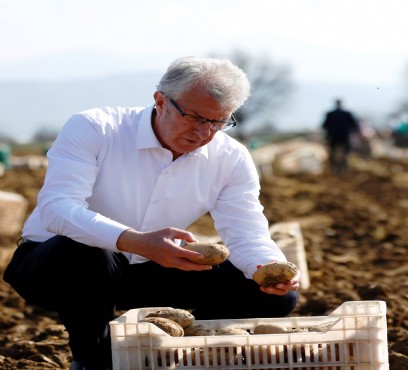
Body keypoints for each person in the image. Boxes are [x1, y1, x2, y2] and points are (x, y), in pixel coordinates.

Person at [3, 56, 300, 370]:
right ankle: (94, 359)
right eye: (196, 117)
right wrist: (136, 241)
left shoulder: (231, 158)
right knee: (84, 252)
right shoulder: (96, 128)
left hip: (151, 267)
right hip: (60, 269)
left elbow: (247, 232)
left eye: (218, 122)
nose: (204, 132)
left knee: (273, 296)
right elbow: (57, 209)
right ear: (161, 101)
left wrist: (265, 266)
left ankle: (181, 350)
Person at [321, 98, 359, 174]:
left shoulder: (330, 114)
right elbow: (354, 125)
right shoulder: (347, 113)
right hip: (344, 135)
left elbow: (324, 125)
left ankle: (333, 168)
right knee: (346, 152)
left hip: (333, 136)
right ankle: (344, 168)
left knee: (332, 152)